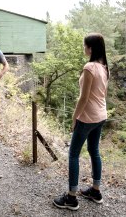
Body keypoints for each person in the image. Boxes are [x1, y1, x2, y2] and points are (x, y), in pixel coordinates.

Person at [53, 33, 110, 211]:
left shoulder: (89, 67)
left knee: (73, 155)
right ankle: (96, 190)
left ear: (91, 48)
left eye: (85, 46)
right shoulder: (104, 67)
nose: (84, 48)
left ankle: (71, 198)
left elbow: (83, 98)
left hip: (87, 117)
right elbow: (103, 95)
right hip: (101, 115)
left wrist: (75, 117)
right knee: (94, 151)